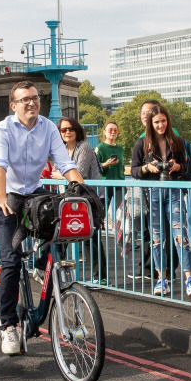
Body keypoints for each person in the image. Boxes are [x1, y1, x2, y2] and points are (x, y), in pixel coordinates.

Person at [0, 81, 84, 355]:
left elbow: (65, 164)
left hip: (31, 193)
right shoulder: (4, 129)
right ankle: (8, 326)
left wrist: (82, 189)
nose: (31, 102)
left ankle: (44, 267)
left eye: (35, 98)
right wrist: (3, 197)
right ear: (14, 105)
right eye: (24, 99)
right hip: (2, 194)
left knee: (58, 233)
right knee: (11, 260)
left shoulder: (48, 127)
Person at [131, 104, 191, 297]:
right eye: (156, 122)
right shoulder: (141, 143)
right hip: (152, 193)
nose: (160, 125)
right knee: (156, 238)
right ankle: (162, 278)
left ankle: (189, 278)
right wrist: (147, 168)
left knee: (181, 236)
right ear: (150, 124)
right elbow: (134, 169)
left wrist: (178, 166)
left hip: (174, 190)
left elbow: (187, 166)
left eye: (163, 121)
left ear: (167, 121)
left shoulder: (176, 141)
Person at [52, 117, 107, 284]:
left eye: (71, 129)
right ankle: (58, 274)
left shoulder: (84, 147)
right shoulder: (61, 150)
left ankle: (101, 278)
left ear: (77, 130)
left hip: (89, 197)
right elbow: (55, 172)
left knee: (91, 237)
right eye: (63, 130)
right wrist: (65, 175)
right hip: (69, 198)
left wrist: (62, 175)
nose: (67, 132)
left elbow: (80, 173)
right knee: (62, 235)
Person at [95, 120, 124, 212]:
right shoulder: (100, 148)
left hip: (119, 184)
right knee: (102, 210)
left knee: (121, 211)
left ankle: (118, 226)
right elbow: (94, 167)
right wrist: (105, 164)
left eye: (115, 130)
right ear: (104, 132)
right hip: (105, 184)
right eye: (110, 130)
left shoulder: (120, 148)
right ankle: (101, 226)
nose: (113, 132)